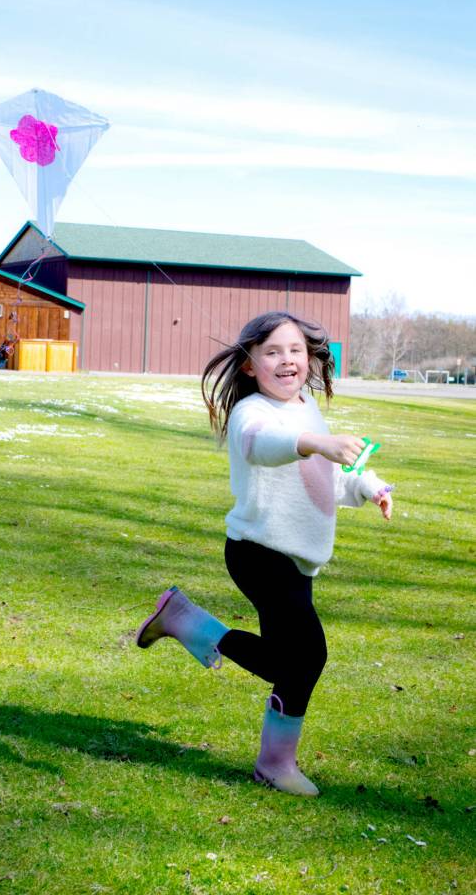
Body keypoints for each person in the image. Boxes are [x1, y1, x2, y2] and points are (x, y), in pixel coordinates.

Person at [136, 311, 393, 797]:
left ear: (311, 358)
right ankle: (275, 764)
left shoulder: (307, 409)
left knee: (287, 660)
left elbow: (330, 475)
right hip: (258, 552)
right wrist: (315, 441)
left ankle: (184, 620)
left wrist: (370, 485)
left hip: (296, 559)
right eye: (272, 352)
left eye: (295, 350)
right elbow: (264, 448)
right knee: (307, 655)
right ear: (251, 365)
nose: (286, 360)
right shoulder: (251, 413)